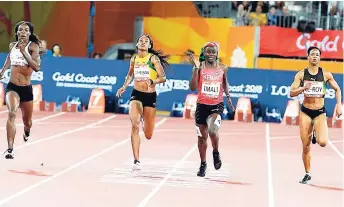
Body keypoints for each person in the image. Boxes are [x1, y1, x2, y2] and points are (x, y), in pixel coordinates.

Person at [116, 34, 169, 171]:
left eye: (146, 41)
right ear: (137, 45)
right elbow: (130, 74)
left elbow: (163, 77)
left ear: (150, 46)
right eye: (141, 41)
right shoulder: (134, 59)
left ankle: (146, 119)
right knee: (134, 124)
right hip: (136, 94)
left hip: (150, 96)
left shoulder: (153, 59)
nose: (143, 43)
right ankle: (136, 160)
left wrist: (153, 81)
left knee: (148, 135)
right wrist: (124, 86)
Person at [289, 46, 342, 184]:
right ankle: (307, 173)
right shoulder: (301, 74)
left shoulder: (325, 74)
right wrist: (303, 88)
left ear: (319, 58)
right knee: (305, 145)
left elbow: (337, 89)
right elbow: (291, 92)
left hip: (319, 113)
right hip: (306, 112)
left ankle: (315, 134)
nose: (314, 57)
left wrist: (339, 106)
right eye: (312, 54)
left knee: (323, 142)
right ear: (308, 57)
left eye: (317, 55)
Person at [189, 42, 235, 177]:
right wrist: (196, 69)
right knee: (202, 138)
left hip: (216, 106)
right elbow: (192, 87)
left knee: (212, 130)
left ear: (217, 53)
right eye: (208, 51)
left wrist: (229, 98)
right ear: (204, 53)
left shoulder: (223, 68)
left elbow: (225, 83)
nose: (211, 54)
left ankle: (215, 152)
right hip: (201, 106)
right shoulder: (199, 67)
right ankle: (203, 164)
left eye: (213, 51)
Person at [0, 21, 41, 159]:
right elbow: (9, 58)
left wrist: (24, 52)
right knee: (11, 113)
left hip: (26, 89)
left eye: (26, 30)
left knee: (27, 122)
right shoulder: (13, 45)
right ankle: (10, 149)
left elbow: (36, 67)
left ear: (30, 33)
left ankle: (27, 131)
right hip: (12, 87)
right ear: (17, 32)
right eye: (20, 30)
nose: (23, 32)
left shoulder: (33, 47)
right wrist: (3, 69)